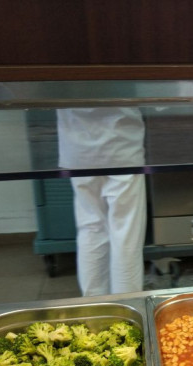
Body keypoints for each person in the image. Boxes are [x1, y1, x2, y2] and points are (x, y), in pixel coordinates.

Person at [57, 107, 147, 296]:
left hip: (77, 148)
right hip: (122, 146)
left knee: (91, 228)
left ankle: (95, 306)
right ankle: (126, 305)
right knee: (125, 233)